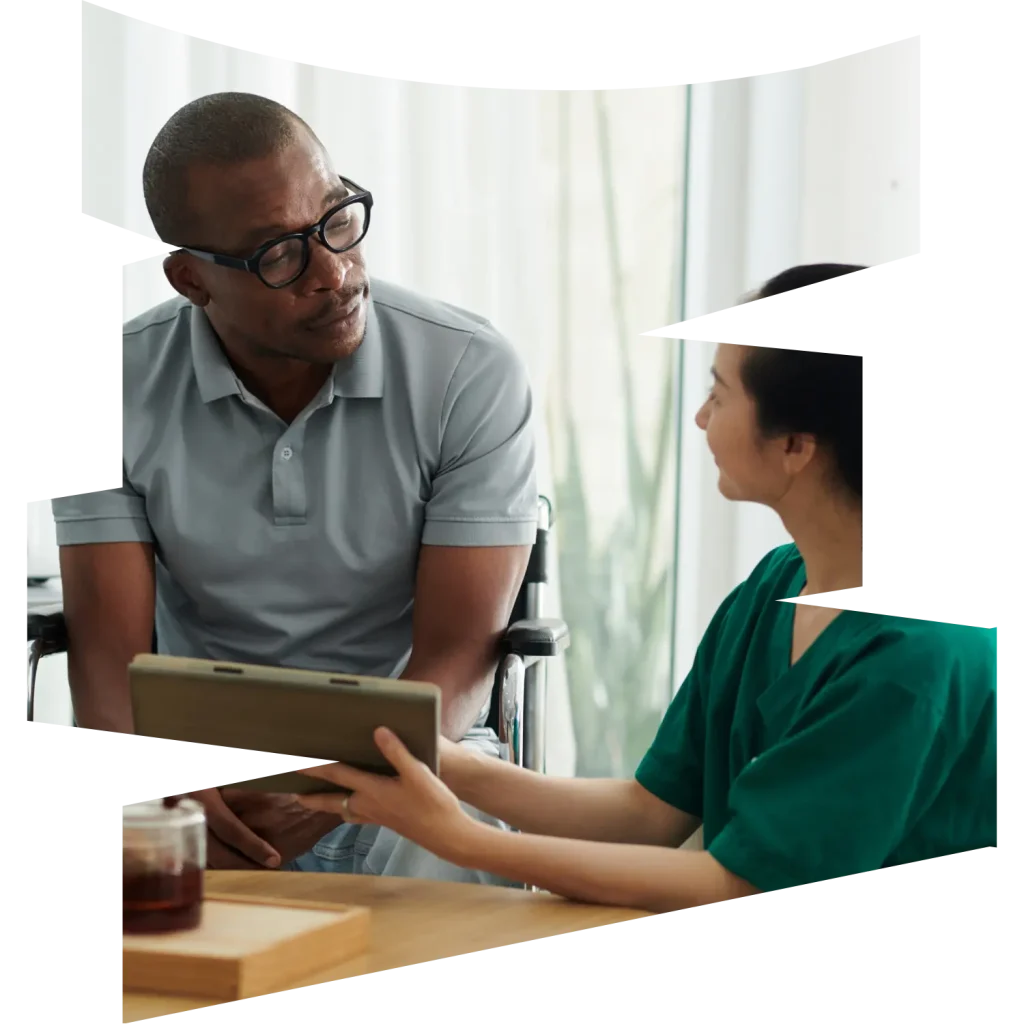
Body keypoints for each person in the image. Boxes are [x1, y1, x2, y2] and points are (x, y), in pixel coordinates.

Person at [292, 264, 1000, 912]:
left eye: (718, 396)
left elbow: (736, 880)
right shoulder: (778, 586)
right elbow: (650, 812)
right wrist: (428, 761)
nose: (700, 418)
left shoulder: (918, 660)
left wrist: (464, 839)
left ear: (796, 446)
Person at [54, 92, 539, 883]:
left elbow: (458, 656)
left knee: (453, 849)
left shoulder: (468, 371)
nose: (335, 271)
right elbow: (110, 669)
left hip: (408, 756)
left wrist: (332, 789)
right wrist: (161, 787)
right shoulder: (114, 385)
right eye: (280, 253)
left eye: (338, 217)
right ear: (191, 279)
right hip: (196, 769)